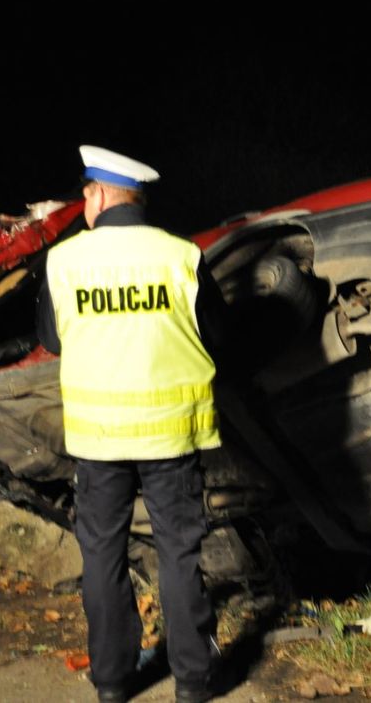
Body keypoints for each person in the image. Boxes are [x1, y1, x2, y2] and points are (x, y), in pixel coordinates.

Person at [37, 145, 227, 703]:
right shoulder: (182, 255)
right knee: (179, 553)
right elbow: (222, 336)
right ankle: (192, 682)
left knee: (101, 556)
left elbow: (50, 340)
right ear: (137, 197)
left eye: (84, 196)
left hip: (99, 438)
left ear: (96, 195)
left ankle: (114, 683)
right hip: (172, 433)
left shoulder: (65, 261)